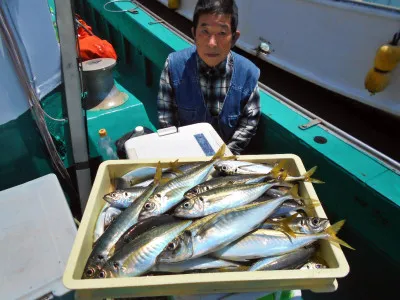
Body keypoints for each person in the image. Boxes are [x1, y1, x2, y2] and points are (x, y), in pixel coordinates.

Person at [157, 0, 261, 155]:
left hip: (228, 156)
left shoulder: (248, 73)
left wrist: (226, 158)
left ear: (234, 38)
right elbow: (166, 120)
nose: (212, 44)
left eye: (222, 33)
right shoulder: (173, 66)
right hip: (185, 155)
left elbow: (248, 123)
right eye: (204, 32)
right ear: (194, 34)